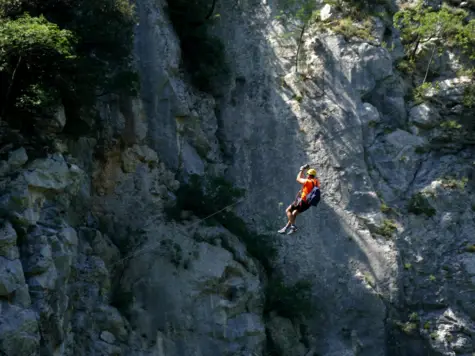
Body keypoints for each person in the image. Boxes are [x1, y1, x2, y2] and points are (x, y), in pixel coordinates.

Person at [278, 164, 321, 235]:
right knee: (294, 213)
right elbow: (310, 189)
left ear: (308, 175)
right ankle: (286, 228)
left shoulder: (308, 181)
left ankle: (293, 226)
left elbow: (298, 178)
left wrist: (301, 170)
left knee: (288, 210)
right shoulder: (316, 182)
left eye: (307, 175)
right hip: (308, 203)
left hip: (302, 201)